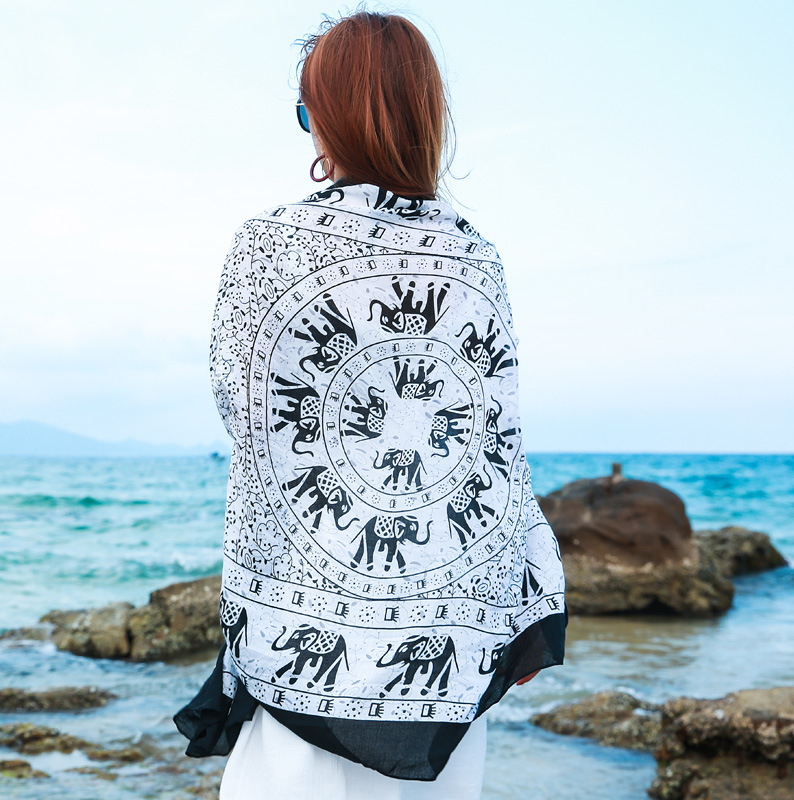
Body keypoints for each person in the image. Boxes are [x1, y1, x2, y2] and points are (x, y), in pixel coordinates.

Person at [173, 10, 567, 799]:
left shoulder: (269, 245)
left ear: (327, 119)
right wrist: (533, 603)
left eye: (305, 111)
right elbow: (495, 452)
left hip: (300, 644)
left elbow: (248, 413)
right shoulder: (476, 261)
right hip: (445, 658)